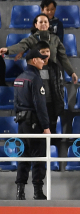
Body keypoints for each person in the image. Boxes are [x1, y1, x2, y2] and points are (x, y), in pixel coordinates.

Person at [12, 50, 51, 200]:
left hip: (21, 123)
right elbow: (40, 105)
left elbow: (16, 103)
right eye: (41, 59)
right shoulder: (35, 78)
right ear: (34, 60)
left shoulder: (18, 78)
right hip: (34, 123)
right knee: (38, 157)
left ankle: (20, 191)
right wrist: (46, 127)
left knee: (23, 156)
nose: (43, 61)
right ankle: (37, 192)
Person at [1, 13, 78, 87]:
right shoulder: (32, 39)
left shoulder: (55, 39)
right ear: (36, 25)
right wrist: (8, 50)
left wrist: (71, 73)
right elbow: (21, 46)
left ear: (48, 24)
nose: (43, 24)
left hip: (53, 75)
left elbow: (63, 57)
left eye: (45, 22)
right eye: (40, 22)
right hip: (37, 75)